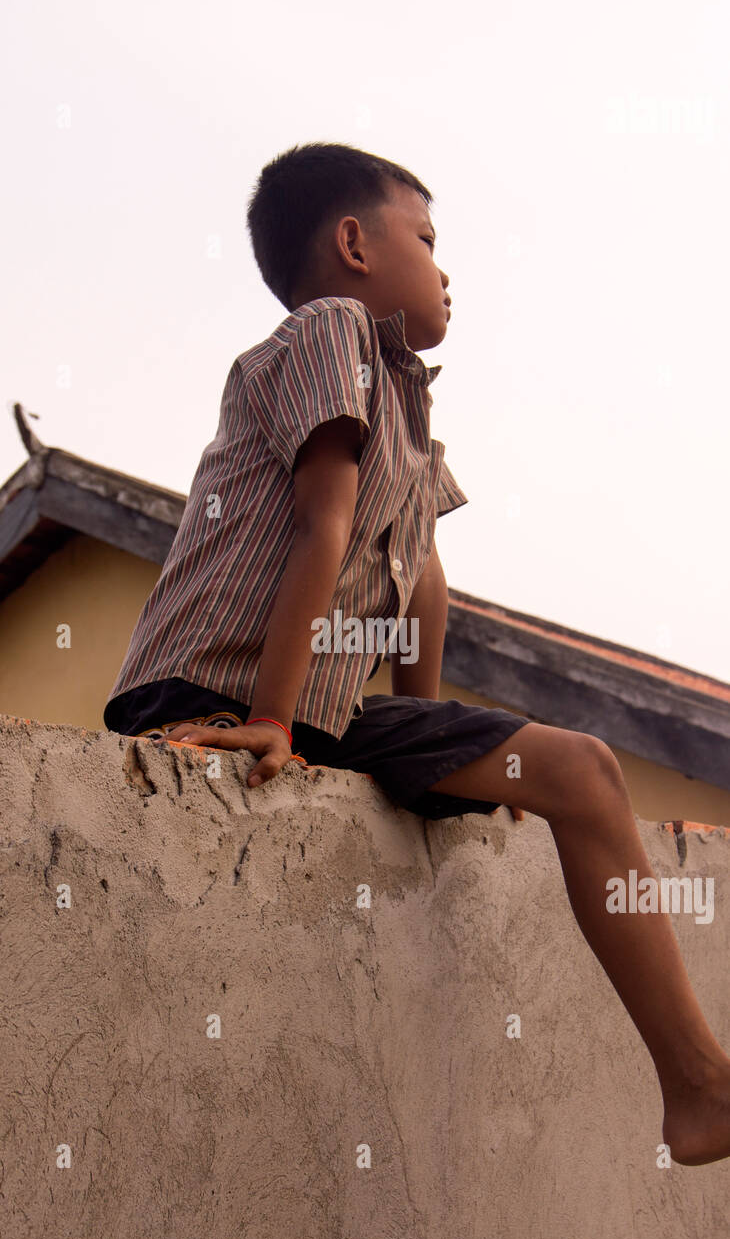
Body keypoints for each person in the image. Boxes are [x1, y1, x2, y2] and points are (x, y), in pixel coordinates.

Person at [104, 141, 730, 1166]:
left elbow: (420, 578)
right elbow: (323, 520)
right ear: (354, 244)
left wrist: (439, 753)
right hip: (209, 688)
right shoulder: (329, 329)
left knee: (579, 769)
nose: (445, 271)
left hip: (318, 713)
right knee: (567, 764)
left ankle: (698, 1086)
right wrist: (267, 718)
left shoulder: (407, 404)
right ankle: (703, 1080)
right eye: (428, 242)